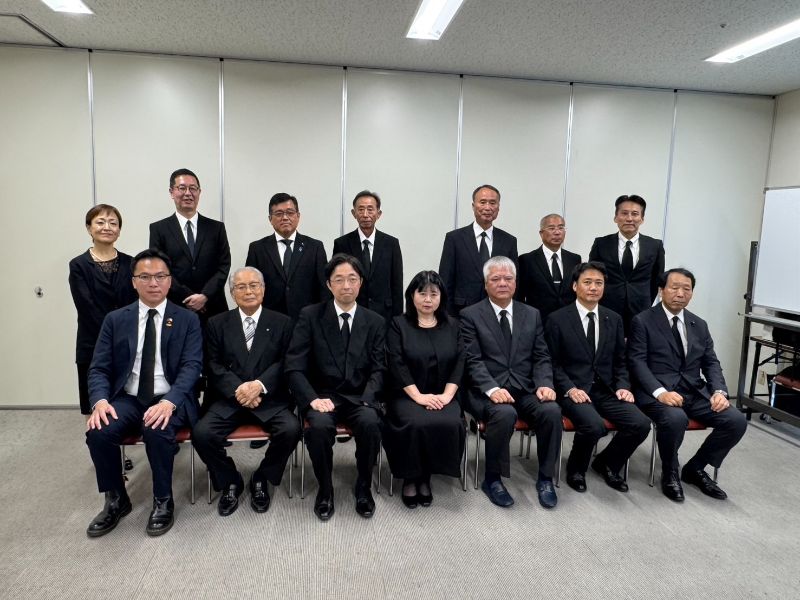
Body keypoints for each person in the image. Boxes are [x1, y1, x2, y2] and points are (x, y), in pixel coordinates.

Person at [84, 249, 202, 537]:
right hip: (129, 397)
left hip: (170, 397)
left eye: (160, 276)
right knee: (99, 432)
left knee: (156, 428)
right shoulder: (116, 319)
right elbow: (99, 367)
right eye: (145, 277)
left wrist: (170, 402)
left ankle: (163, 499)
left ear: (170, 281)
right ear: (134, 281)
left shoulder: (187, 319)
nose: (153, 283)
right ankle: (116, 498)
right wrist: (100, 401)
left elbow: (192, 367)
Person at [628, 268, 747, 502]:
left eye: (687, 289)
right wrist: (660, 393)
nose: (680, 293)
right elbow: (636, 362)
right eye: (674, 287)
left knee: (735, 420)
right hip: (657, 392)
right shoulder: (642, 321)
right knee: (675, 419)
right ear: (661, 290)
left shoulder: (699, 324)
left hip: (694, 391)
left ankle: (696, 468)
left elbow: (711, 362)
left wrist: (719, 391)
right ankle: (670, 471)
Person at [192, 267, 301, 517]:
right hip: (229, 398)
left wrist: (258, 386)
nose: (248, 291)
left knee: (291, 429)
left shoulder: (282, 322)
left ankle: (263, 477)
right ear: (232, 293)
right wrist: (239, 389)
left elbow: (286, 362)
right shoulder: (217, 323)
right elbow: (212, 364)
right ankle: (230, 480)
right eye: (241, 287)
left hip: (268, 398)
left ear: (263, 289)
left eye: (254, 285)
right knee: (202, 433)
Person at [285, 254, 385, 521]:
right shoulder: (310, 316)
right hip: (323, 396)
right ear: (329, 284)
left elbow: (379, 369)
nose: (346, 285)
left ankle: (363, 486)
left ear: (361, 282)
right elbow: (294, 366)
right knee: (317, 428)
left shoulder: (375, 321)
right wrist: (311, 399)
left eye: (352, 279)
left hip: (359, 397)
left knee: (370, 423)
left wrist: (367, 398)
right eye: (339, 280)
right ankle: (325, 489)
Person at [460, 256, 561, 509]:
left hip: (524, 388)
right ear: (486, 284)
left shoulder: (532, 314)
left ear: (516, 283)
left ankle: (545, 478)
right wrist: (492, 388)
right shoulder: (470, 315)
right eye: (496, 279)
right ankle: (493, 479)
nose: (503, 283)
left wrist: (545, 383)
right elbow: (472, 360)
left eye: (508, 278)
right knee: (504, 414)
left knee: (551, 411)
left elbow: (541, 356)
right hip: (485, 391)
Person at [544, 262, 651, 493]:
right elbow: (551, 363)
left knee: (641, 424)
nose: (593, 287)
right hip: (573, 390)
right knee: (593, 425)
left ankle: (607, 463)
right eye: (587, 282)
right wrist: (570, 388)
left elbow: (621, 361)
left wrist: (623, 386)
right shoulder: (557, 319)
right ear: (575, 286)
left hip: (606, 389)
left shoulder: (614, 319)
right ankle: (576, 469)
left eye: (599, 283)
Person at [384, 271, 465, 508]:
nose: (428, 299)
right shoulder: (398, 324)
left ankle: (426, 476)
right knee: (416, 422)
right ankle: (411, 477)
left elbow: (460, 361)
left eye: (433, 294)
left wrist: (447, 396)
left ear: (441, 297)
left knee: (450, 422)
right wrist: (419, 397)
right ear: (412, 295)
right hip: (406, 394)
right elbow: (396, 364)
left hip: (443, 394)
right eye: (422, 293)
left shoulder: (453, 325)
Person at [69, 204, 137, 415]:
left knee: (126, 400)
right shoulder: (78, 265)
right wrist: (112, 334)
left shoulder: (131, 263)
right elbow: (86, 307)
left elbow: (136, 303)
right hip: (93, 341)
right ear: (89, 228)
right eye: (100, 222)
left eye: (113, 223)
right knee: (95, 402)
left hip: (128, 341)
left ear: (119, 230)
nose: (107, 227)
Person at [149, 168, 231, 325]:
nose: (188, 193)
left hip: (213, 307)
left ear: (199, 192)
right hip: (176, 305)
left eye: (193, 188)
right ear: (172, 192)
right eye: (182, 188)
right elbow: (159, 269)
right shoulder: (159, 229)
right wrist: (187, 296)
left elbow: (224, 265)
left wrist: (205, 295)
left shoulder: (216, 228)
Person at [246, 192, 329, 320]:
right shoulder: (257, 248)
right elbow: (251, 287)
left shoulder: (315, 247)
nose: (285, 217)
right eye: (279, 214)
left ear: (298, 216)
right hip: (269, 320)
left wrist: (321, 319)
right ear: (270, 219)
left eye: (290, 212)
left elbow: (324, 288)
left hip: (306, 320)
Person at [589, 195, 665, 334]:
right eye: (624, 213)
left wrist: (644, 298)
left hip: (641, 309)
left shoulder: (655, 246)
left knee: (638, 344)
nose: (629, 218)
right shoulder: (601, 244)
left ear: (642, 219)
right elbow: (593, 276)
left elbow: (657, 279)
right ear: (615, 217)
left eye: (635, 214)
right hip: (607, 308)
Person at [439, 184, 518, 316]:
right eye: (482, 202)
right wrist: (447, 316)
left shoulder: (509, 241)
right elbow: (446, 280)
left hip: (497, 312)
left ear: (498, 207)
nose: (487, 207)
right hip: (461, 312)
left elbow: (514, 281)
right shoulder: (454, 238)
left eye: (492, 203)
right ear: (473, 206)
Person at [333, 190, 403, 322]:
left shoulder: (391, 243)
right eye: (361, 209)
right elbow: (337, 281)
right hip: (352, 312)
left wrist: (397, 321)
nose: (365, 214)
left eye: (370, 209)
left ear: (378, 214)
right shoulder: (342, 243)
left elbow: (397, 284)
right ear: (354, 213)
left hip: (384, 314)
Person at [517, 213, 582, 321]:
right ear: (541, 233)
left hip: (568, 320)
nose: (557, 232)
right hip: (538, 320)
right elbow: (519, 295)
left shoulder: (574, 259)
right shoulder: (527, 260)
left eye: (561, 228)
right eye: (551, 228)